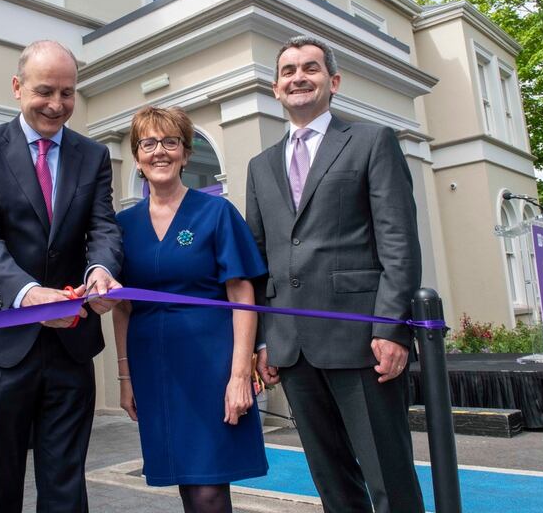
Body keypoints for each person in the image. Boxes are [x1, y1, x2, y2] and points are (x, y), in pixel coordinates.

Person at [245, 36, 425, 513]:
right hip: (293, 347)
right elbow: (259, 258)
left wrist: (392, 328)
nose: (298, 77)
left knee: (389, 476)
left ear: (334, 81)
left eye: (310, 68)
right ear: (276, 87)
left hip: (362, 339)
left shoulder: (372, 141)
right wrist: (265, 338)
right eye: (287, 71)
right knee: (331, 482)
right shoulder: (260, 166)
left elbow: (399, 244)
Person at [0, 40, 123, 513]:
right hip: (0, 342)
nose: (57, 104)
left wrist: (101, 271)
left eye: (68, 93)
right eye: (45, 91)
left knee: (66, 485)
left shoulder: (93, 156)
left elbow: (103, 227)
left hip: (72, 343)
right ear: (17, 87)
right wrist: (27, 295)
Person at [112, 107, 267, 513]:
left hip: (211, 367)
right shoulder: (121, 226)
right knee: (185, 480)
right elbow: (122, 307)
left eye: (170, 142)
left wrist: (239, 377)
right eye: (148, 143)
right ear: (137, 155)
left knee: (209, 487)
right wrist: (125, 377)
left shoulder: (216, 213)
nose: (159, 151)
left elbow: (242, 296)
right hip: (155, 369)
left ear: (184, 152)